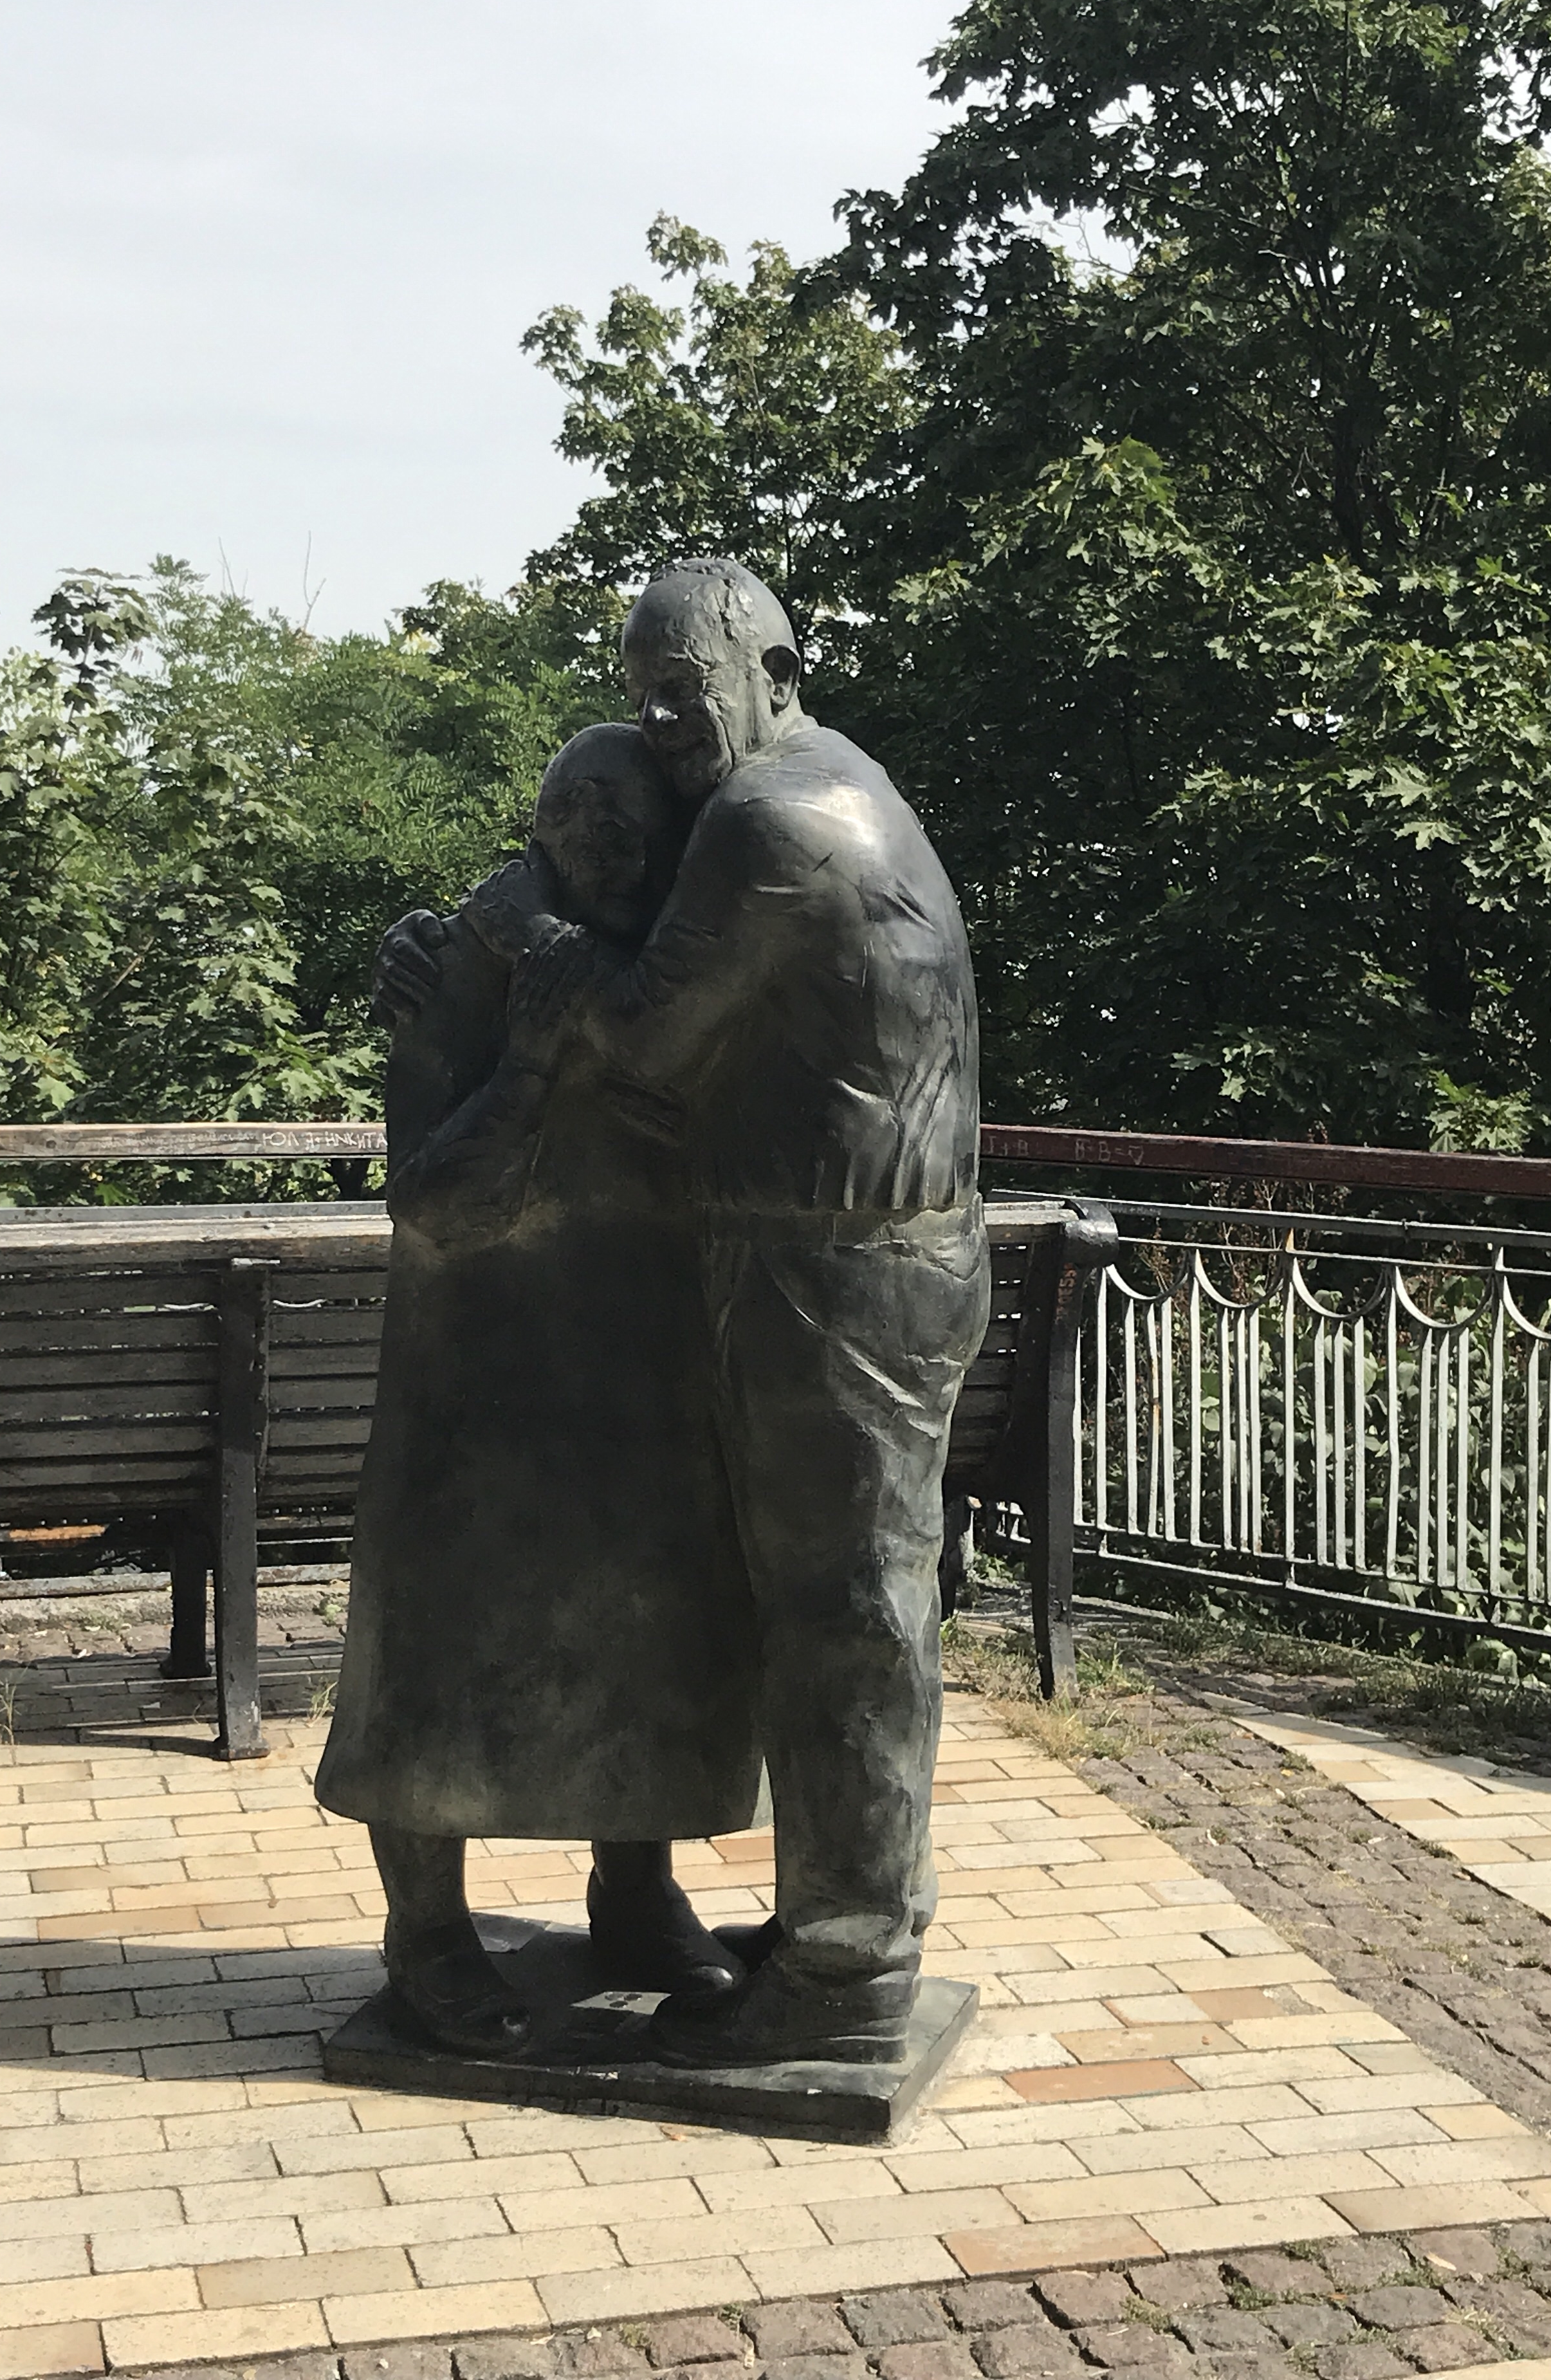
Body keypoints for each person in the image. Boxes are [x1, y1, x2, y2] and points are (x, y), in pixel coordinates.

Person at [389, 560, 989, 2068]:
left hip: (833, 1263)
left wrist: (518, 926)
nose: (662, 726)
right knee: (851, 1604)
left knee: (845, 1615)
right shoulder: (832, 781)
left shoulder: (767, 814)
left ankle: (847, 1971)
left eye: (685, 694)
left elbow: (651, 1036)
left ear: (777, 673)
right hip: (855, 1253)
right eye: (642, 699)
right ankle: (846, 1924)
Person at [317, 722, 762, 2057]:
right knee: (438, 1647)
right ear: (543, 829)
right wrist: (525, 1058)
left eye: (638, 817)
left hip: (645, 1357)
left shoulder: (688, 960)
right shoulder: (460, 963)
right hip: (478, 1370)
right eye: (585, 813)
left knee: (653, 1630)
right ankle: (429, 1935)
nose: (615, 840)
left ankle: (636, 1893)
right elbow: (432, 1204)